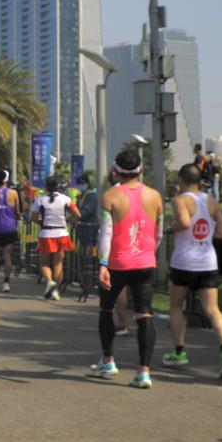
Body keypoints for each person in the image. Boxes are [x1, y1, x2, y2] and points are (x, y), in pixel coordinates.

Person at [89, 149, 163, 387]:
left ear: (116, 171)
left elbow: (106, 233)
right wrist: (150, 252)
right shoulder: (155, 196)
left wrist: (102, 264)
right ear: (140, 170)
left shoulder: (110, 196)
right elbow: (158, 233)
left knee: (106, 309)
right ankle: (143, 371)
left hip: (118, 263)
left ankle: (108, 360)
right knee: (144, 314)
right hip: (145, 263)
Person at [161, 164, 222, 379]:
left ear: (181, 181)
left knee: (176, 306)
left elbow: (184, 222)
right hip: (208, 262)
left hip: (185, 261)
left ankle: (179, 351)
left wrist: (170, 227)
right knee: (213, 309)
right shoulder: (211, 201)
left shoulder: (180, 200)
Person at [31, 176, 78, 301]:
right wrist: (68, 221)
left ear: (46, 187)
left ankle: (50, 281)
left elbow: (34, 217)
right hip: (62, 233)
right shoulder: (66, 199)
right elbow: (77, 213)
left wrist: (41, 223)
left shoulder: (40, 200)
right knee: (58, 263)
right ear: (58, 187)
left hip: (46, 233)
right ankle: (55, 291)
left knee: (44, 262)